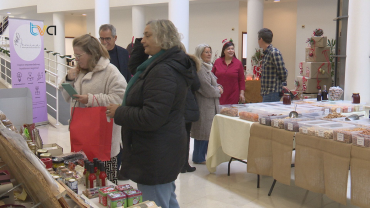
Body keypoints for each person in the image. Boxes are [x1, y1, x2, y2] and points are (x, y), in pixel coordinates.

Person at [106, 19, 196, 208]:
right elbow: (135, 66)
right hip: (161, 148)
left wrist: (120, 112)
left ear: (163, 39)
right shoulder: (160, 64)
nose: (142, 41)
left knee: (155, 201)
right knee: (166, 198)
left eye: (147, 36)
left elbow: (152, 116)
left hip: (156, 151)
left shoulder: (162, 70)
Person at [60, 34, 127, 184]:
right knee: (85, 182)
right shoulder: (78, 71)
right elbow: (67, 97)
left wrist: (90, 99)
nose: (76, 59)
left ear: (91, 53)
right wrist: (69, 80)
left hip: (103, 137)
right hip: (82, 134)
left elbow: (120, 99)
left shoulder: (110, 71)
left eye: (79, 55)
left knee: (105, 184)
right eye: (75, 55)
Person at [99, 24, 130, 180]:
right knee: (107, 141)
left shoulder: (123, 53)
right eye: (102, 38)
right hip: (102, 106)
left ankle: (120, 169)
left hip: (121, 103)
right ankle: (107, 172)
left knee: (121, 139)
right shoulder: (96, 55)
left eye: (108, 39)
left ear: (115, 38)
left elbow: (127, 77)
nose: (104, 42)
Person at [191, 44, 222, 164]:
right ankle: (198, 157)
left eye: (210, 51)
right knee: (202, 132)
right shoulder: (200, 69)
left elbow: (215, 82)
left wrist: (219, 87)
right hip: (204, 105)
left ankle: (203, 156)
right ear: (200, 54)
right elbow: (206, 88)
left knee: (207, 132)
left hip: (210, 105)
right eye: (206, 52)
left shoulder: (208, 67)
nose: (209, 54)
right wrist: (218, 90)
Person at [182, 46, 201, 173]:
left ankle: (178, 163)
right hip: (186, 103)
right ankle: (183, 164)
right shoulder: (188, 63)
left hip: (171, 105)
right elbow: (196, 84)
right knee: (185, 134)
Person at [258, 28, 288, 102]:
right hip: (266, 92)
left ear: (260, 39)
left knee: (268, 114)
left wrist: (283, 83)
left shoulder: (274, 53)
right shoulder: (266, 53)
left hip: (272, 92)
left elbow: (283, 73)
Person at [212, 40, 245, 105]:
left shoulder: (238, 63)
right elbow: (212, 76)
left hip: (233, 94)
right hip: (219, 93)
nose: (231, 50)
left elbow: (241, 80)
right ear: (224, 51)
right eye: (228, 49)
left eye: (232, 49)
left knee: (231, 113)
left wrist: (242, 94)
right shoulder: (217, 62)